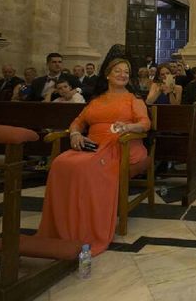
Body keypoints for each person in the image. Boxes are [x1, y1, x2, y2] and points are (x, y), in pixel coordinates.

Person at [36, 57, 150, 256]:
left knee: (86, 168)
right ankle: (62, 226)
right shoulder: (96, 100)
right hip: (92, 144)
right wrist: (75, 134)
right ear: (107, 75)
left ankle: (85, 229)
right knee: (60, 163)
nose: (123, 75)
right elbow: (78, 122)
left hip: (120, 144)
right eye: (118, 71)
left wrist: (128, 127)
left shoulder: (134, 99)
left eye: (126, 72)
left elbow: (145, 123)